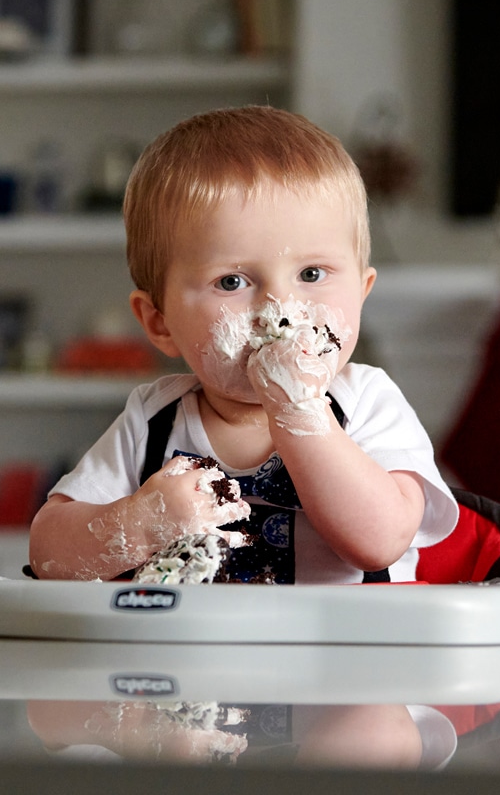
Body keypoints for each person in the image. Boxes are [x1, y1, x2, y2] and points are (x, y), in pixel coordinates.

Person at [28, 106, 456, 583]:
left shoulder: (366, 404)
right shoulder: (152, 421)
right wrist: (141, 523)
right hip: (194, 656)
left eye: (311, 274)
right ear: (160, 322)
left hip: (346, 654)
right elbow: (49, 554)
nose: (280, 306)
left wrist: (302, 415)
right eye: (231, 281)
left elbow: (379, 542)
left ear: (362, 291)